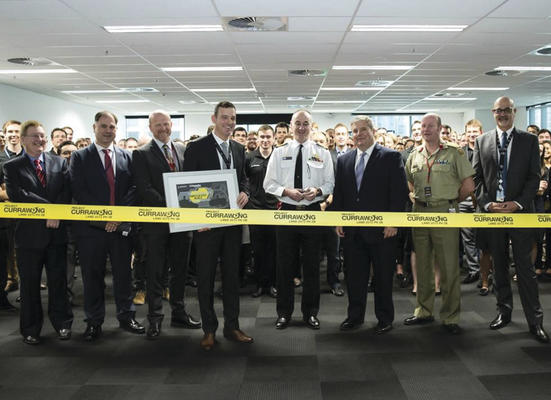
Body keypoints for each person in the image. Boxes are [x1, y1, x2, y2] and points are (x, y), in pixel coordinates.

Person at [472, 96, 549, 343]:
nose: (502, 114)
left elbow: (533, 178)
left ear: (514, 112)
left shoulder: (529, 141)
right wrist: (488, 204)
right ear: (493, 113)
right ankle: (503, 312)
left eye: (507, 110)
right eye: (498, 110)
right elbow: (476, 179)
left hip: (520, 214)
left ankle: (534, 321)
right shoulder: (481, 141)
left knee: (525, 269)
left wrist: (516, 204)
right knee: (500, 266)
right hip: (492, 215)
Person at [183, 101, 253, 351]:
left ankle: (232, 326)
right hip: (206, 226)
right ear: (214, 119)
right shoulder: (196, 148)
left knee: (233, 276)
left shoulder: (238, 148)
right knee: (205, 277)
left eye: (233, 118)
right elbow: (187, 186)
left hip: (233, 223)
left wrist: (245, 192)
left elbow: (244, 178)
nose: (229, 123)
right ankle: (209, 329)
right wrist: (196, 220)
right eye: (224, 118)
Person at [70, 111, 144, 341]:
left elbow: (134, 189)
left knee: (124, 275)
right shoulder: (80, 157)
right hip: (91, 229)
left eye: (112, 127)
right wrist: (104, 218)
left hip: (120, 228)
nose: (108, 130)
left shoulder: (127, 156)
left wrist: (117, 217)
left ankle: (126, 316)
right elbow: (79, 191)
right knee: (92, 277)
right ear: (94, 128)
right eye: (103, 126)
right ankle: (93, 321)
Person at [332, 116, 408, 334]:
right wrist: (338, 219)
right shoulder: (344, 160)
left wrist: (393, 222)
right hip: (353, 231)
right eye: (354, 131)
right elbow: (340, 194)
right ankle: (354, 317)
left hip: (382, 231)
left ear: (372, 131)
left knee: (383, 277)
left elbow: (399, 192)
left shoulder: (390, 156)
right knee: (354, 277)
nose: (358, 135)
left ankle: (385, 318)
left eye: (362, 130)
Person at [404, 113, 475, 335]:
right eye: (423, 126)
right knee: (423, 265)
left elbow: (469, 185)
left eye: (430, 126)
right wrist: (415, 196)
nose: (426, 130)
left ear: (439, 128)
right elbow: (409, 181)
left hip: (445, 212)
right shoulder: (414, 155)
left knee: (448, 266)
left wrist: (451, 201)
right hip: (420, 213)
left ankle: (450, 316)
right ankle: (423, 311)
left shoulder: (454, 153)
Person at [132, 110, 201, 339]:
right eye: (158, 125)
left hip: (183, 223)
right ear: (150, 128)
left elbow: (190, 183)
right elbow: (144, 188)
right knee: (156, 272)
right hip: (157, 224)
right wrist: (172, 206)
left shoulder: (182, 150)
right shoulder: (141, 154)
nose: (163, 128)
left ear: (172, 125)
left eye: (166, 124)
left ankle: (179, 313)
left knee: (180, 270)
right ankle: (155, 318)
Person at [4, 120, 73, 344]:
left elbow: (66, 191)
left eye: (42, 135)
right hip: (29, 237)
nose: (40, 140)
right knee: (30, 285)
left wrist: (56, 211)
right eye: (34, 136)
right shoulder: (12, 167)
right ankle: (31, 329)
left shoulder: (59, 163)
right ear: (23, 140)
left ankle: (63, 324)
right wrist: (49, 211)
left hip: (57, 234)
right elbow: (17, 194)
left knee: (58, 283)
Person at [264, 110, 334, 330]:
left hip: (312, 212)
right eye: (298, 124)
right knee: (284, 266)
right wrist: (286, 191)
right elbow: (268, 184)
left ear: (311, 126)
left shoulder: (322, 152)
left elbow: (330, 184)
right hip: (286, 211)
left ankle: (310, 313)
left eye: (306, 123)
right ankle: (284, 313)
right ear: (291, 126)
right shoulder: (279, 152)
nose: (301, 128)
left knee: (312, 266)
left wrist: (318, 190)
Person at [246, 125, 278, 298]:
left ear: (273, 138)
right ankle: (259, 284)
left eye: (268, 137)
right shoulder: (249, 157)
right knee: (258, 250)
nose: (265, 141)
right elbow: (244, 181)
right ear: (257, 139)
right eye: (262, 137)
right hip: (255, 210)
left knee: (274, 250)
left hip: (275, 209)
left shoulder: (279, 156)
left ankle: (272, 284)